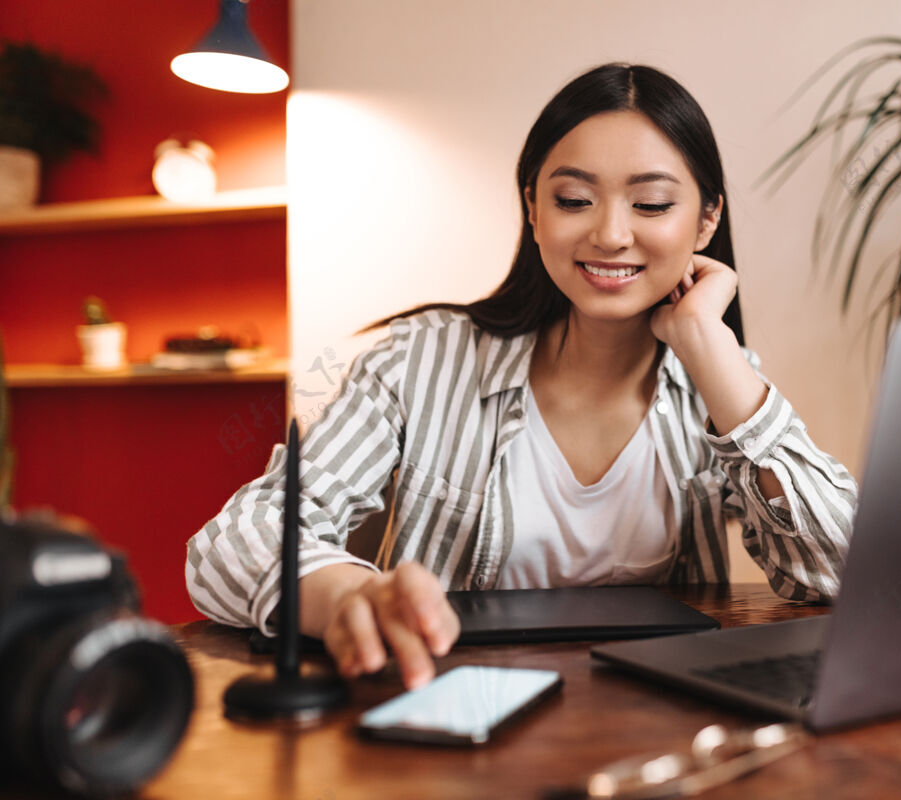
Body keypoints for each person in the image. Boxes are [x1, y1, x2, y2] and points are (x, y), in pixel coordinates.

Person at [186, 63, 858, 690]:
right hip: (452, 715)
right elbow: (234, 540)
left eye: (651, 205)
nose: (611, 234)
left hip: (659, 729)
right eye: (574, 199)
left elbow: (847, 574)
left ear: (706, 219)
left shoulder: (723, 384)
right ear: (533, 206)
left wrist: (711, 346)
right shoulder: (420, 360)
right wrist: (345, 595)